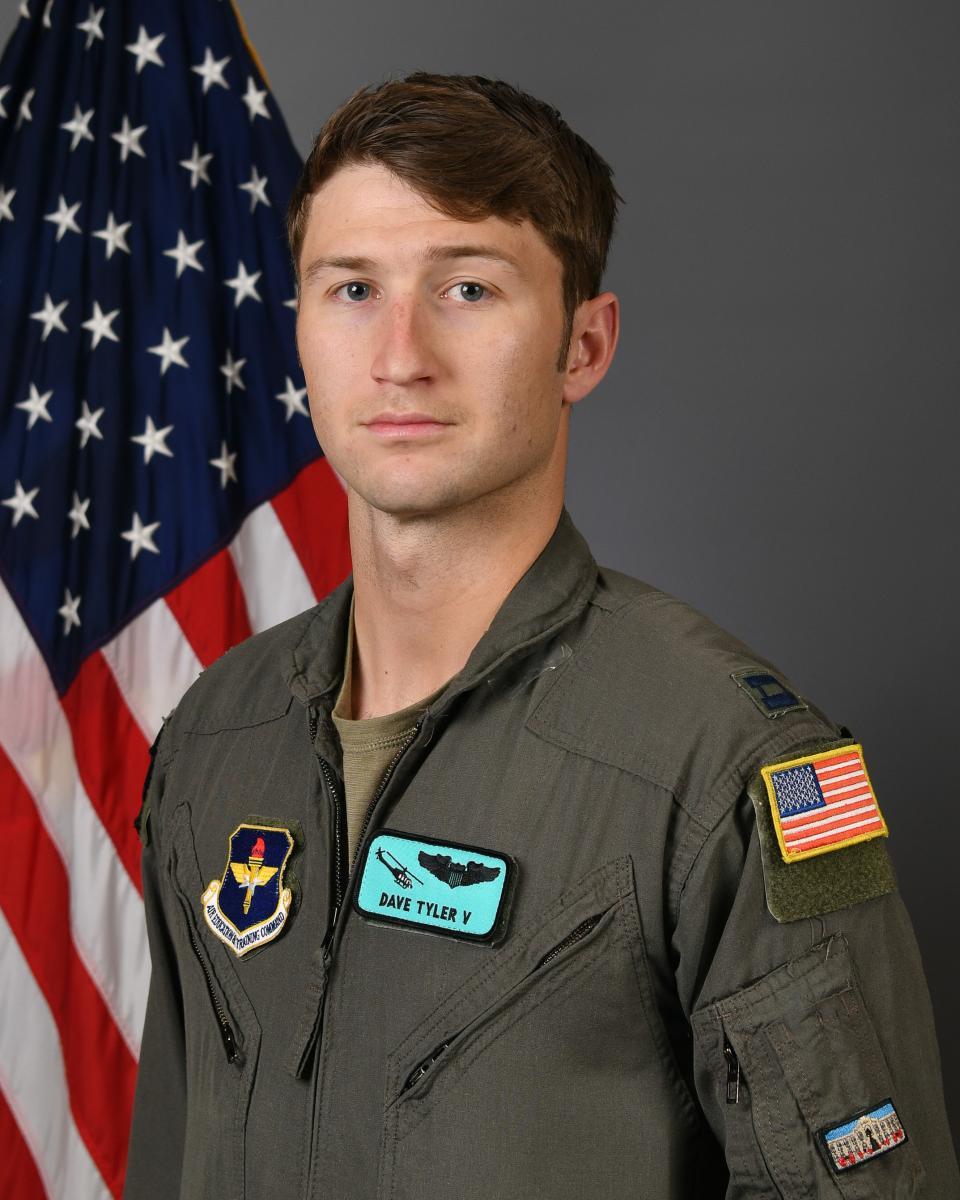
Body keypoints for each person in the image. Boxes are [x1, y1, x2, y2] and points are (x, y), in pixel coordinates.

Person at [123, 72, 959, 1199]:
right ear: (299, 335)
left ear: (583, 346)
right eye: (353, 288)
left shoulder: (732, 768)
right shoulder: (216, 735)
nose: (401, 354)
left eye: (468, 288)